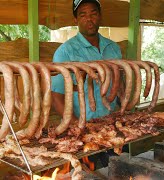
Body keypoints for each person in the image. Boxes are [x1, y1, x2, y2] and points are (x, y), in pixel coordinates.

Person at [51, 0, 123, 168]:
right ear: (75, 20)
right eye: (83, 15)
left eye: (93, 13)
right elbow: (57, 99)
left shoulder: (113, 48)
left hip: (115, 129)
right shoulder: (65, 52)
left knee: (121, 172)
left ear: (100, 16)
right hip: (86, 133)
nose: (89, 19)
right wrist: (80, 128)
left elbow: (120, 87)